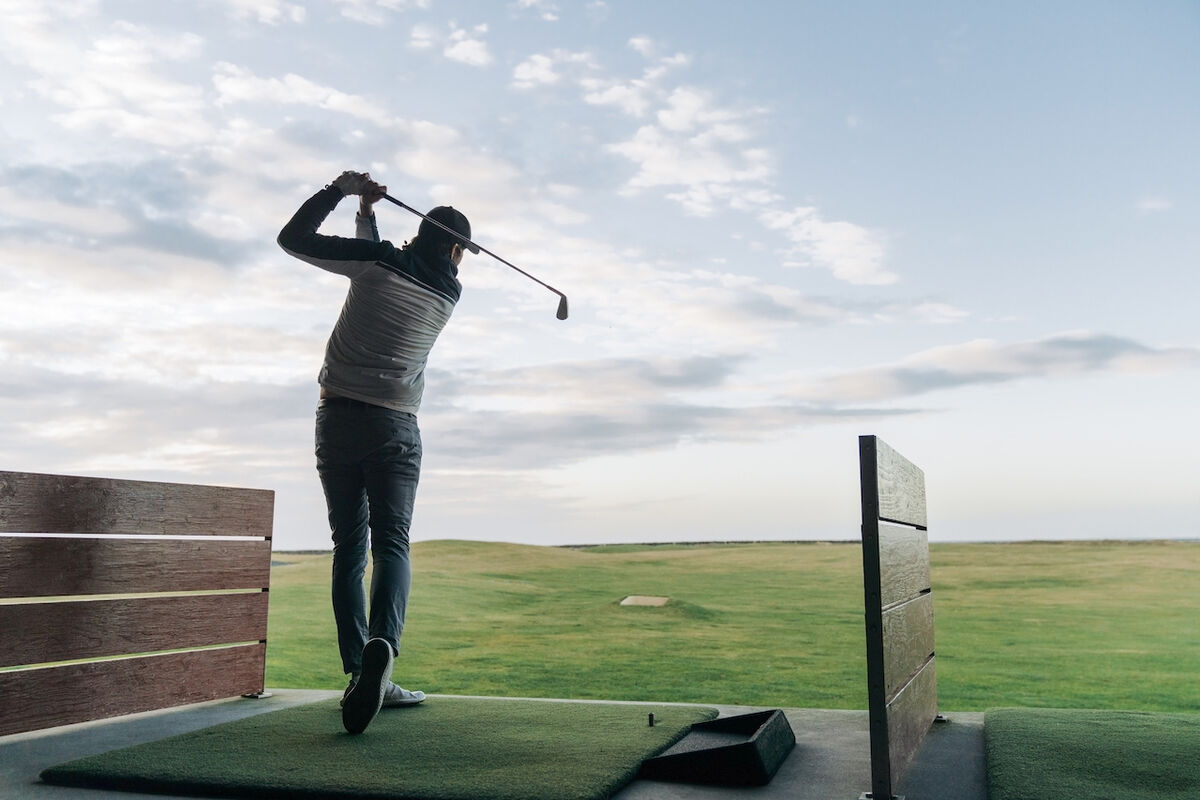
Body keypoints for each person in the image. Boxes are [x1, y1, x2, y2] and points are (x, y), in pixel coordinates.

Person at [277, 170, 471, 734]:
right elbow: (383, 255)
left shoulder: (379, 263)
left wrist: (340, 191)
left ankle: (361, 668)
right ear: (455, 251)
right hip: (396, 430)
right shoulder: (447, 290)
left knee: (349, 548)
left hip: (336, 419)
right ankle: (380, 661)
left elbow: (294, 238)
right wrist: (367, 213)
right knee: (392, 544)